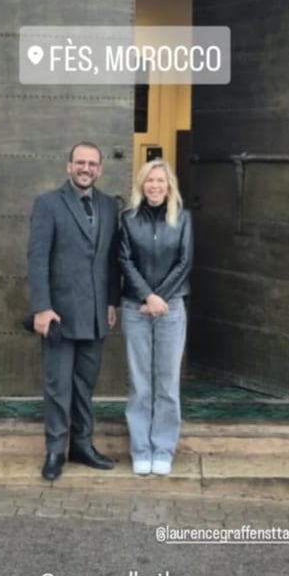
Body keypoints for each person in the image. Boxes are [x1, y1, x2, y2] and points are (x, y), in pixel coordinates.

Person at [27, 142, 121, 482]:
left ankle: (82, 445)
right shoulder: (48, 204)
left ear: (100, 169)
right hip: (59, 315)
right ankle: (55, 450)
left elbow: (112, 259)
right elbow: (37, 259)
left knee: (84, 386)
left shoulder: (109, 206)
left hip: (95, 314)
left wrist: (111, 301)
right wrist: (42, 308)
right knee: (58, 387)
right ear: (69, 166)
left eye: (92, 164)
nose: (86, 168)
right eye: (80, 162)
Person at [119, 159, 193, 476]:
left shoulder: (183, 218)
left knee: (167, 382)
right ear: (141, 184)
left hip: (171, 308)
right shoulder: (128, 219)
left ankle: (162, 448)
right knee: (140, 383)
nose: (155, 186)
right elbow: (124, 260)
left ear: (169, 185)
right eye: (150, 180)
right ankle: (140, 449)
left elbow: (185, 261)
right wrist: (147, 296)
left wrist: (159, 297)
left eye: (160, 180)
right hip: (135, 308)